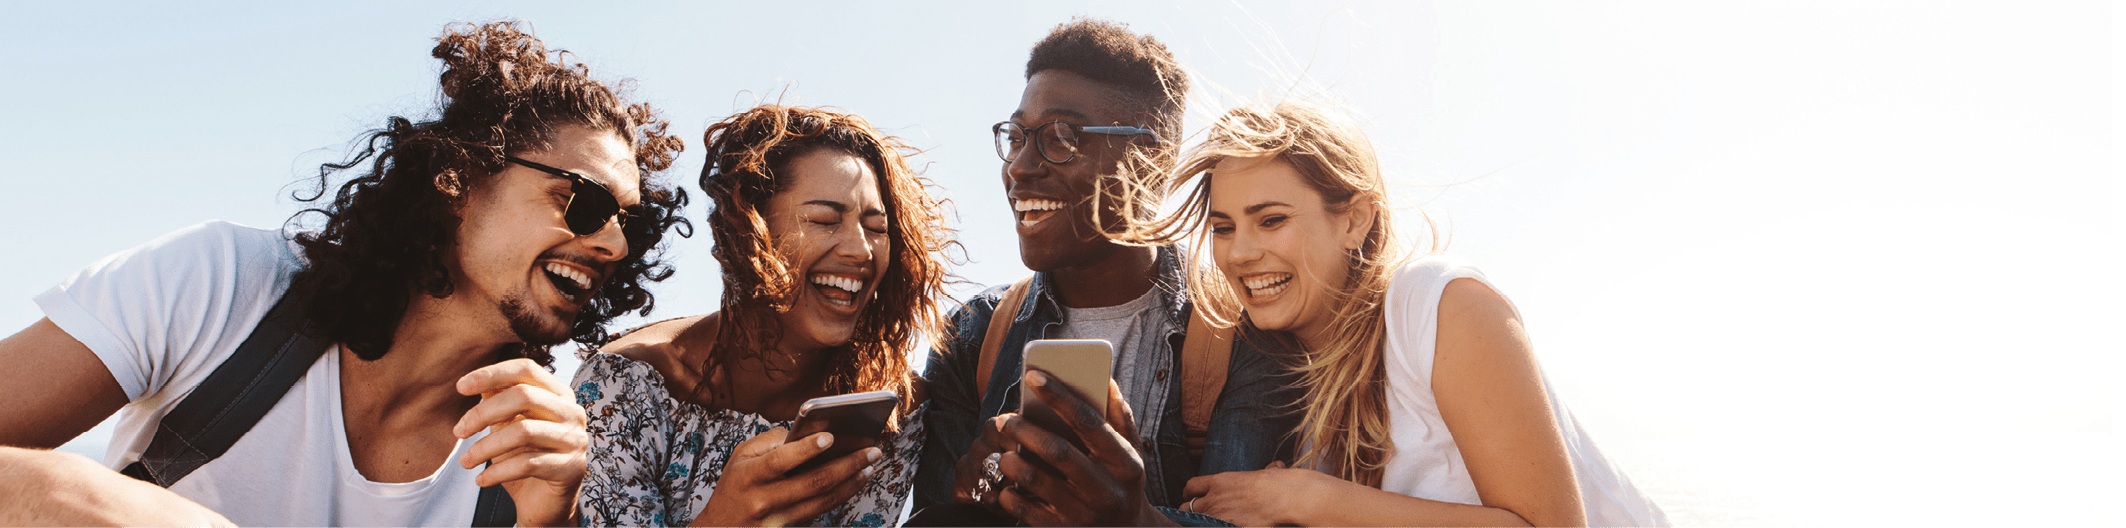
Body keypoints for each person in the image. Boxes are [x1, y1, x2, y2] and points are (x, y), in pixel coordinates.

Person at [0, 21, 688, 527]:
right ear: (461, 178)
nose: (614, 245)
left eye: (632, 223)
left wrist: (547, 520)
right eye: (586, 203)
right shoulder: (222, 282)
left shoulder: (531, 458)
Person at [1129, 102, 1669, 527]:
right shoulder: (1286, 378)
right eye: (1223, 228)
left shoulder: (1436, 302)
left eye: (1270, 220)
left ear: (1355, 220)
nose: (1240, 253)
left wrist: (1308, 499)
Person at [910, 18, 1303, 527]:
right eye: (1017, 136)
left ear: (1153, 160)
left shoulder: (1244, 331)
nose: (1021, 167)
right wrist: (972, 495)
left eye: (1061, 137)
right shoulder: (972, 333)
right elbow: (930, 513)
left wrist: (1135, 519)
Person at [575, 104, 957, 528]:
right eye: (825, 219)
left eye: (877, 227)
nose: (860, 249)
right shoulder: (626, 387)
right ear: (746, 235)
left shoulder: (888, 408)